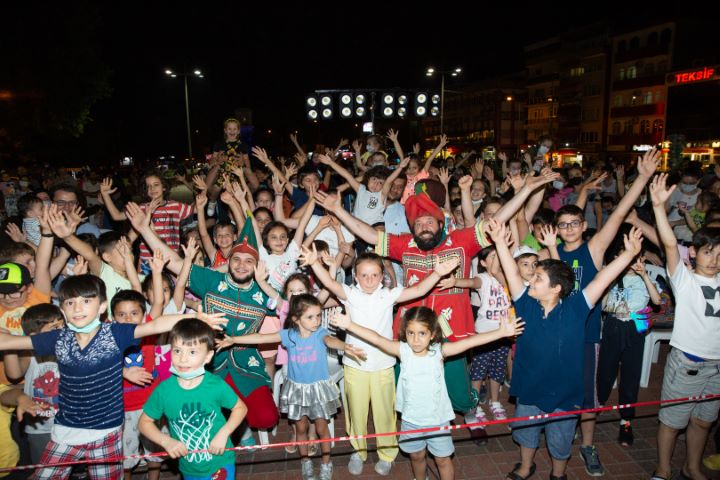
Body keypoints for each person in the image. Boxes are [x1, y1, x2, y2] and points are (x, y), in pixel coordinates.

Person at [315, 169, 559, 444]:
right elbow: (369, 235)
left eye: (429, 222)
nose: (423, 227)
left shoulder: (462, 241)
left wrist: (524, 190)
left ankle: (469, 412)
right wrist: (340, 211)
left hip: (452, 329)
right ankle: (412, 424)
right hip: (411, 330)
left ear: (440, 223)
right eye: (418, 224)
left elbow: (496, 220)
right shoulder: (404, 244)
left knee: (458, 387)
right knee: (404, 381)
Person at [0, 274, 226, 480]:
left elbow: (155, 324)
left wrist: (197, 317)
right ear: (63, 309)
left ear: (102, 306)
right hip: (66, 429)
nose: (77, 307)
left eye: (86, 301)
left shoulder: (115, 333)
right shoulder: (57, 338)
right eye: (70, 302)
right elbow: (10, 342)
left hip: (106, 431)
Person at [488, 218, 645, 480]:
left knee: (560, 440)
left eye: (538, 278)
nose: (530, 281)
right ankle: (526, 466)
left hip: (565, 392)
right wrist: (499, 243)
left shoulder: (576, 308)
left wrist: (628, 254)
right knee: (526, 433)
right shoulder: (526, 304)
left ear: (556, 288)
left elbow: (602, 278)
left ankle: (558, 474)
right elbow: (511, 272)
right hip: (529, 386)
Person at [125, 204, 280, 442]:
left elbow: (292, 311)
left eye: (249, 261)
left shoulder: (264, 292)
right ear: (229, 261)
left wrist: (267, 285)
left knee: (266, 418)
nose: (241, 265)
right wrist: (146, 231)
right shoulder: (211, 280)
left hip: (246, 365)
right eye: (236, 259)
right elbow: (175, 262)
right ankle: (229, 423)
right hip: (207, 365)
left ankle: (240, 422)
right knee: (202, 414)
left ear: (257, 265)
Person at [300, 245, 459, 476]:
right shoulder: (351, 294)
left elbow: (418, 290)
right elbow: (331, 284)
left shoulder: (388, 295)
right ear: (355, 276)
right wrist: (315, 263)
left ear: (382, 276)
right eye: (363, 275)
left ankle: (387, 452)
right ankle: (359, 450)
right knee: (356, 411)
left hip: (383, 364)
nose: (369, 279)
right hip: (354, 364)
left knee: (385, 411)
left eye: (375, 274)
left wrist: (437, 273)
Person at [553, 147, 660, 476]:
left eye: (575, 223)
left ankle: (587, 444)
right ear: (557, 229)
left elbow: (616, 218)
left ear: (584, 226)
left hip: (587, 335)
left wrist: (641, 178)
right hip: (556, 335)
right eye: (563, 224)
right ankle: (558, 442)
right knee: (559, 389)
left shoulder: (594, 249)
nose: (569, 228)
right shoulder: (550, 251)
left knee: (589, 394)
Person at [330, 306, 523, 480]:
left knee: (443, 460)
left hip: (437, 420)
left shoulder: (439, 351)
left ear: (432, 334)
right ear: (404, 333)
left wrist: (501, 332)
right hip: (411, 420)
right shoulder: (403, 350)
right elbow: (377, 338)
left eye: (422, 333)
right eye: (411, 333)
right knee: (416, 456)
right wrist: (350, 325)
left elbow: (470, 342)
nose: (415, 339)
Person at [217, 294, 366, 480]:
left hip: (318, 389)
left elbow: (331, 341)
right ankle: (305, 462)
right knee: (301, 429)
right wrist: (234, 340)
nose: (317, 321)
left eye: (319, 315)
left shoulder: (320, 333)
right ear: (296, 318)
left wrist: (345, 346)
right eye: (310, 317)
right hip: (297, 390)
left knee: (322, 429)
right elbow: (262, 337)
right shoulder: (289, 336)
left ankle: (327, 463)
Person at [648, 174, 720, 480]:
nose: (715, 259)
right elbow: (667, 243)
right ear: (693, 252)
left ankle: (691, 466)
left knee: (704, 421)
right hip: (688, 362)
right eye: (708, 252)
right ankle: (663, 470)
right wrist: (659, 207)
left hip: (718, 366)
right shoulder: (685, 279)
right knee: (672, 421)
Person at [596, 244, 661, 447]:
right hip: (614, 327)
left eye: (636, 257)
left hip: (634, 329)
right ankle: (594, 410)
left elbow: (657, 300)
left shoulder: (645, 280)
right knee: (605, 372)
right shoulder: (613, 278)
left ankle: (626, 421)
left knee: (631, 375)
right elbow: (604, 306)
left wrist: (645, 276)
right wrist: (611, 279)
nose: (633, 262)